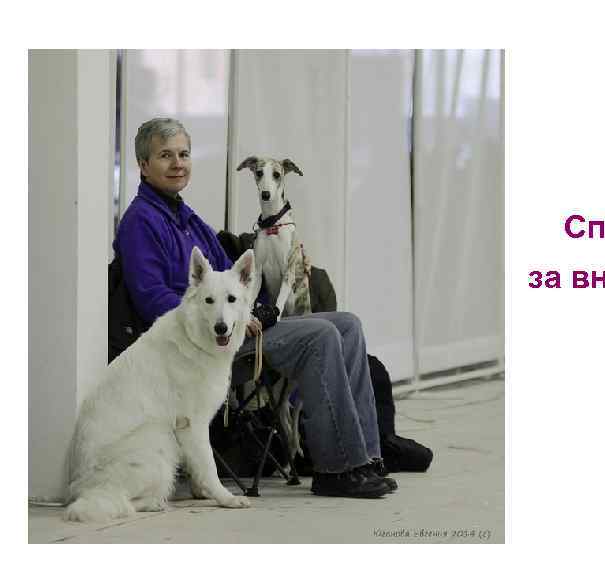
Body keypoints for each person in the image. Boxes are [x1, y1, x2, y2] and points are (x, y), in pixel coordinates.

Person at [114, 117, 395, 498]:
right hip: (204, 343)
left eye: (183, 154)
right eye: (166, 156)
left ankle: (368, 458)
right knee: (322, 335)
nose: (178, 163)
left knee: (348, 324)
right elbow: (152, 300)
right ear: (143, 165)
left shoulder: (187, 217)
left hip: (234, 325)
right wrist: (228, 319)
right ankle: (337, 468)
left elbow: (234, 277)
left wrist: (270, 287)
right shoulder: (140, 222)